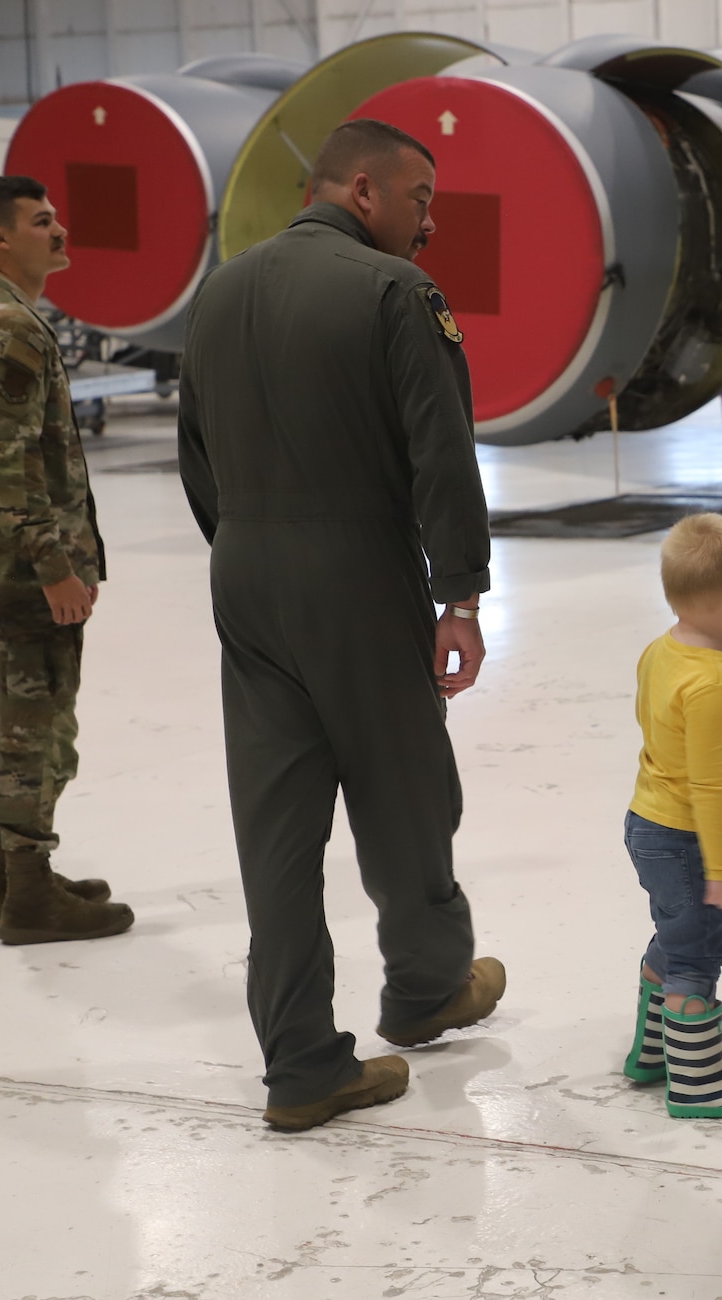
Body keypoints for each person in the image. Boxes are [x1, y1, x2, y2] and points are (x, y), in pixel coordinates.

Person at [177, 119, 505, 1133]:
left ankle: (301, 1064)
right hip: (355, 570)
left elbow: (194, 454)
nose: (428, 225)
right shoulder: (395, 294)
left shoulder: (219, 290)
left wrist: (250, 544)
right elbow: (440, 452)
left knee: (274, 830)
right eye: (419, 202)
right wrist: (458, 592)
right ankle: (424, 987)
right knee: (405, 789)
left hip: (245, 571)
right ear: (362, 190)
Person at [0, 175, 134, 946]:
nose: (59, 232)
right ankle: (30, 900)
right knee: (35, 723)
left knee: (5, 716)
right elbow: (9, 460)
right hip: (22, 569)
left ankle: (11, 875)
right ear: (0, 238)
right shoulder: (11, 328)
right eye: (42, 221)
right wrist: (54, 563)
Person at [620, 514, 722, 1119]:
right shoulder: (715, 683)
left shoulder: (662, 651)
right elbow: (711, 786)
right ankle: (698, 1085)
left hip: (649, 823)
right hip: (691, 838)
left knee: (673, 933)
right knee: (697, 955)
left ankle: (653, 1053)